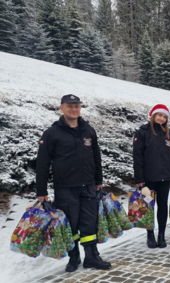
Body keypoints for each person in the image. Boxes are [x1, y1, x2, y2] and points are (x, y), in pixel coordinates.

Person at [35, 94, 112, 272]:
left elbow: (96, 157)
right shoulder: (52, 133)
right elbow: (43, 163)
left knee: (89, 222)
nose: (74, 109)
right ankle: (74, 258)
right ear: (61, 108)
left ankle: (92, 257)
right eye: (70, 106)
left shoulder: (88, 130)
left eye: (77, 106)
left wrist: (98, 180)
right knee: (71, 224)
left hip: (88, 185)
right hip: (65, 188)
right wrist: (41, 190)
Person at [133, 104, 170, 248]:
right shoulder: (143, 132)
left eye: (164, 116)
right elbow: (137, 156)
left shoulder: (169, 134)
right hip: (148, 180)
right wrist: (139, 178)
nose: (161, 118)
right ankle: (150, 235)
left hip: (165, 178)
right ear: (153, 115)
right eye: (159, 115)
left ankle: (161, 235)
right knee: (147, 206)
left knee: (162, 206)